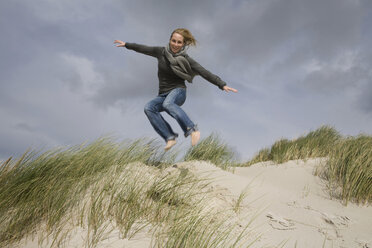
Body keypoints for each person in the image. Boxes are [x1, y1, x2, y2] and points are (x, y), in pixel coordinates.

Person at [114, 28, 237, 151]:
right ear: (170, 40)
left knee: (168, 104)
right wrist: (127, 45)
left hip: (179, 91)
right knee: (149, 108)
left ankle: (192, 130)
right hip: (162, 94)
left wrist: (221, 84)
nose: (176, 45)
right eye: (174, 41)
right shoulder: (160, 52)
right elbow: (144, 49)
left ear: (183, 44)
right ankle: (170, 137)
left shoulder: (186, 60)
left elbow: (203, 72)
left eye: (179, 42)